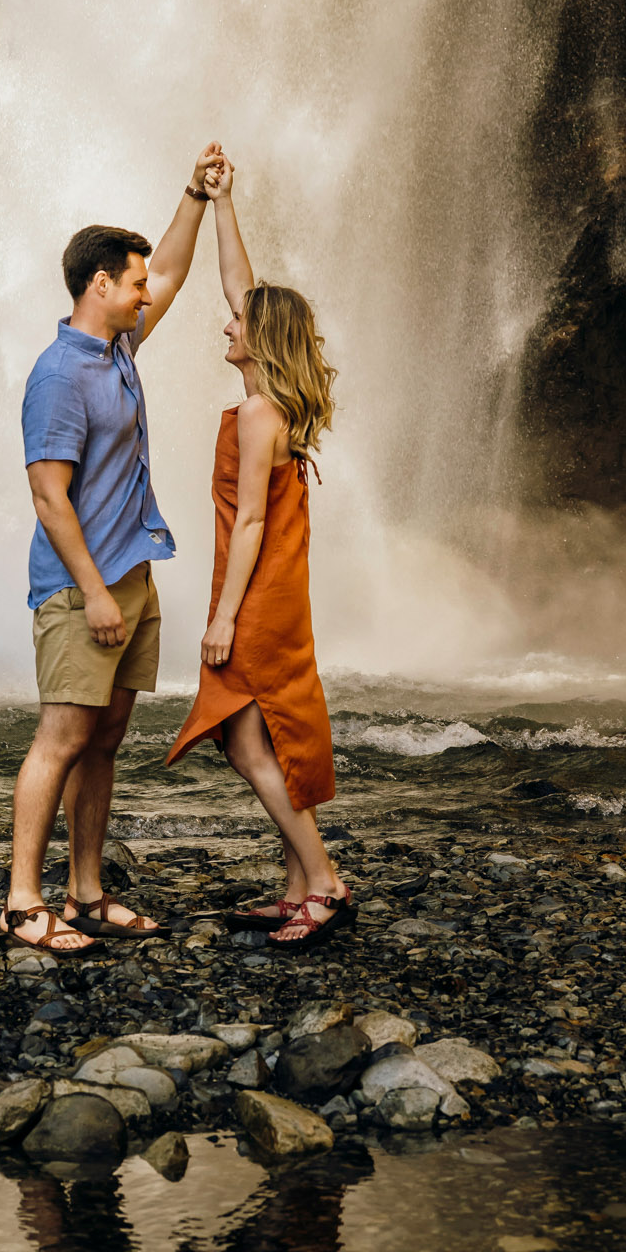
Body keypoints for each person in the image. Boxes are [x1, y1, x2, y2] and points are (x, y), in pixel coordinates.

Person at [0, 146, 226, 954]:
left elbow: (168, 268)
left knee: (104, 741)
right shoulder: (59, 375)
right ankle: (24, 901)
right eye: (132, 284)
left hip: (132, 581)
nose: (145, 293)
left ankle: (86, 891)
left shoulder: (118, 349)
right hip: (79, 590)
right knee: (60, 738)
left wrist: (194, 195)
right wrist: (94, 592)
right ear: (100, 285)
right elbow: (47, 495)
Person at [164, 157, 352, 945]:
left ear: (257, 341)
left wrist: (220, 620)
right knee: (268, 735)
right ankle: (294, 882)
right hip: (280, 587)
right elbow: (241, 288)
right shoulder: (276, 406)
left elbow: (246, 525)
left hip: (257, 593)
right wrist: (222, 203)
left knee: (246, 742)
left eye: (237, 323)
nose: (225, 323)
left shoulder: (253, 415)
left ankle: (324, 881)